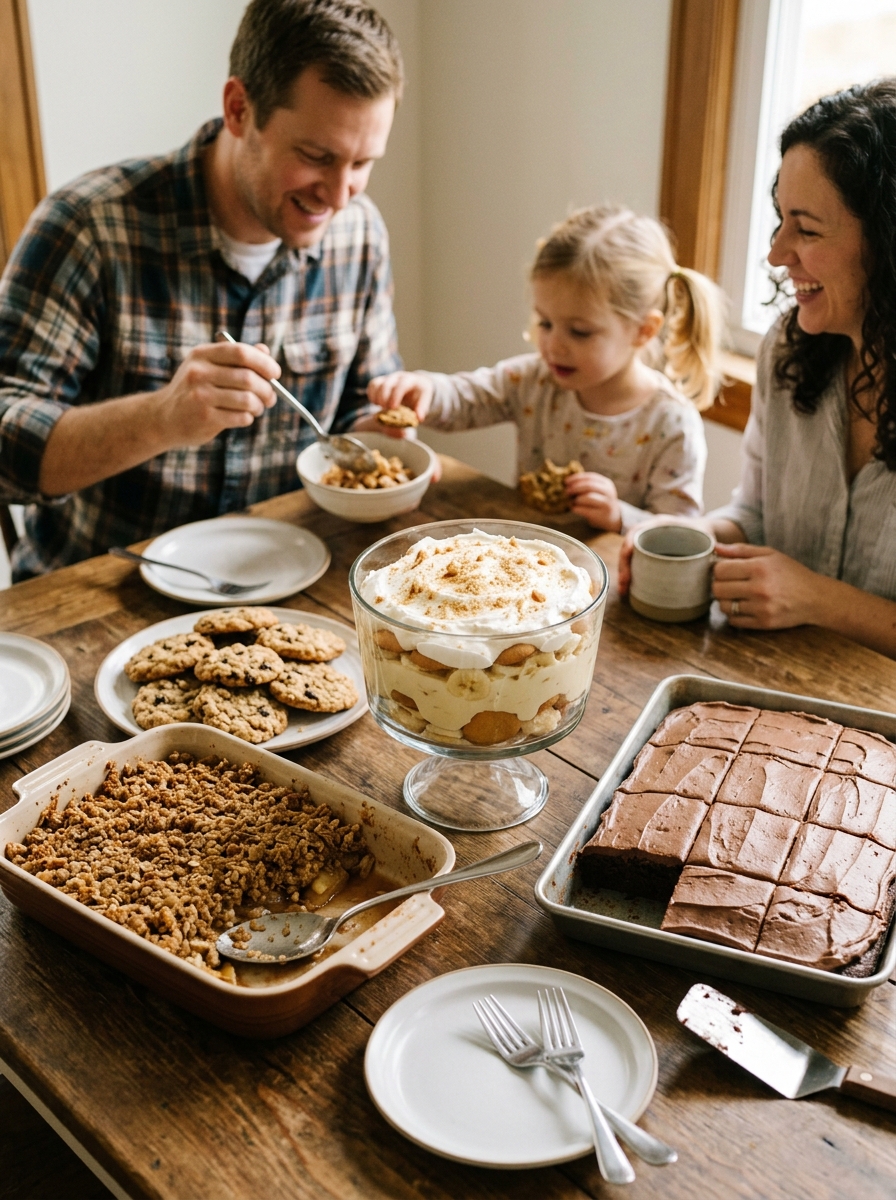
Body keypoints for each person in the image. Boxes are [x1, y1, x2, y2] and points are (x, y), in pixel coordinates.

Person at [0, 0, 403, 579]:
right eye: (317, 157)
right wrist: (159, 418)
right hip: (100, 589)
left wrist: (387, 434)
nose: (340, 195)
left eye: (363, 163)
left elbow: (362, 408)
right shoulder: (89, 227)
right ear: (240, 109)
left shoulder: (359, 234)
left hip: (288, 581)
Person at [619, 79, 896, 659]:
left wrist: (820, 600)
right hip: (774, 683)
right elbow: (756, 513)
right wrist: (690, 538)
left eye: (808, 229)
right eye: (780, 220)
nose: (776, 253)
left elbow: (808, 592)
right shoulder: (790, 348)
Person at [364, 205, 724, 532]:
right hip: (524, 564)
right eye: (545, 323)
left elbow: (680, 534)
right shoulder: (535, 381)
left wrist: (620, 515)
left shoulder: (671, 424)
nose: (553, 346)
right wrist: (425, 390)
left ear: (644, 330)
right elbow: (468, 398)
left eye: (579, 332)